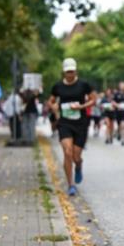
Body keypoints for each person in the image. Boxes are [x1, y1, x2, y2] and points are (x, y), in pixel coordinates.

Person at [47, 58, 96, 196]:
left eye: (72, 71)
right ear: (64, 72)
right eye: (68, 72)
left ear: (76, 71)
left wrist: (81, 106)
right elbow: (50, 101)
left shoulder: (84, 85)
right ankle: (71, 184)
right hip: (64, 123)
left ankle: (79, 166)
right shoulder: (57, 87)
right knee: (67, 152)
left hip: (80, 123)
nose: (70, 74)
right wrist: (53, 106)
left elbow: (93, 100)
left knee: (76, 156)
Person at [113, 81, 124, 145]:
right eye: (122, 85)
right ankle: (119, 133)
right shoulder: (116, 94)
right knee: (119, 125)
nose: (123, 86)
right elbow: (113, 102)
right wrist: (117, 105)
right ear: (119, 86)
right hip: (118, 112)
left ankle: (123, 139)